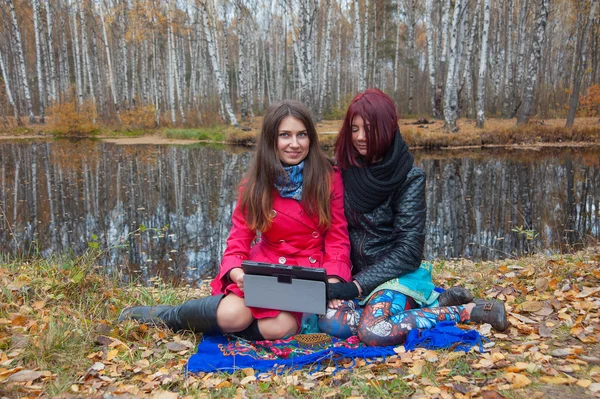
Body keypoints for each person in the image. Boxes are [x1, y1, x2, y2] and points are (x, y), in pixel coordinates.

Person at [119, 100, 352, 341]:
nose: (295, 144)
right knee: (232, 316)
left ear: (311, 138)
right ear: (272, 140)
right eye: (285, 135)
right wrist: (237, 273)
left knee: (281, 328)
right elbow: (239, 239)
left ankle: (230, 329)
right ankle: (167, 316)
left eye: (301, 135)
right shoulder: (255, 184)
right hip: (267, 270)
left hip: (307, 275)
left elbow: (337, 236)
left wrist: (333, 281)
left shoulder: (329, 177)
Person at [318, 88, 508, 346]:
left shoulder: (409, 177)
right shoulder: (342, 171)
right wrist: (342, 279)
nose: (360, 137)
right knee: (331, 322)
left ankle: (467, 311)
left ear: (387, 127)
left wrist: (356, 287)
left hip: (396, 276)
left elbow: (408, 251)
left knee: (375, 331)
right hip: (353, 275)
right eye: (354, 129)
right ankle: (436, 303)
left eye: (370, 129)